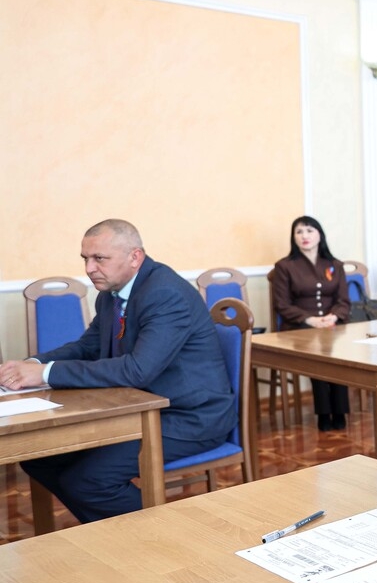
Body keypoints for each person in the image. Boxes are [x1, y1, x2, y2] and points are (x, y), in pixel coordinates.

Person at [0, 219, 235, 523]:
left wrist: (46, 374)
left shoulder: (165, 293)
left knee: (88, 482)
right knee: (39, 457)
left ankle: (167, 535)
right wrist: (34, 364)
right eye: (85, 258)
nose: (89, 268)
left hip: (191, 417)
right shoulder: (111, 294)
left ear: (134, 257)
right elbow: (87, 346)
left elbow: (138, 370)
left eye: (99, 258)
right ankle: (114, 532)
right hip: (139, 410)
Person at [271, 215, 351, 431]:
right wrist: (310, 319)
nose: (304, 236)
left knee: (340, 352)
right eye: (299, 231)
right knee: (319, 353)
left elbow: (343, 300)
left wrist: (333, 316)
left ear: (319, 235)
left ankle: (340, 411)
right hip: (300, 326)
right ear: (293, 237)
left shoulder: (334, 264)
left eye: (309, 230)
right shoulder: (285, 266)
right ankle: (324, 414)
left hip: (332, 324)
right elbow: (282, 304)